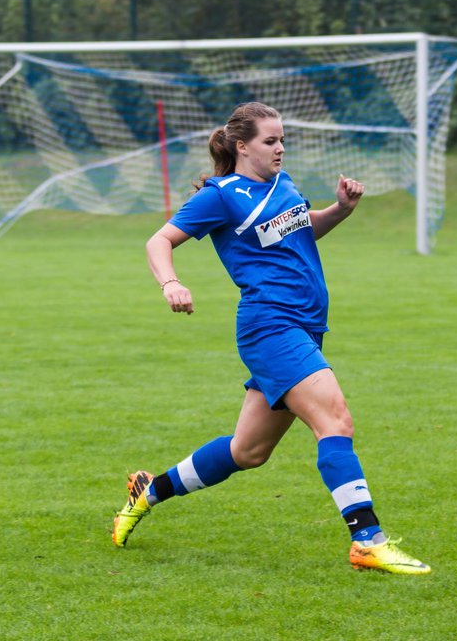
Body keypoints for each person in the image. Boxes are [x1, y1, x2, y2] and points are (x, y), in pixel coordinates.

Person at [111, 102, 430, 574]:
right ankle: (367, 539)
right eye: (270, 140)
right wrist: (170, 283)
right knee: (336, 422)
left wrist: (340, 210)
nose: (280, 148)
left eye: (282, 140)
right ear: (242, 146)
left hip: (304, 327)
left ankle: (149, 490)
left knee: (248, 451)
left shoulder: (285, 184)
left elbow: (302, 231)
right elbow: (158, 241)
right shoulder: (220, 196)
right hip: (271, 327)